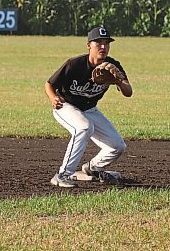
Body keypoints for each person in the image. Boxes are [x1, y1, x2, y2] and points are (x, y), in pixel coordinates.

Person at [45, 26, 133, 188]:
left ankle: (93, 168)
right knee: (84, 127)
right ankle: (62, 174)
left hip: (90, 109)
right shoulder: (74, 64)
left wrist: (118, 80)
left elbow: (128, 92)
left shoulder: (112, 65)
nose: (103, 46)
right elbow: (49, 84)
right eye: (98, 42)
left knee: (117, 146)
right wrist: (53, 97)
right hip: (66, 106)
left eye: (106, 43)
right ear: (89, 46)